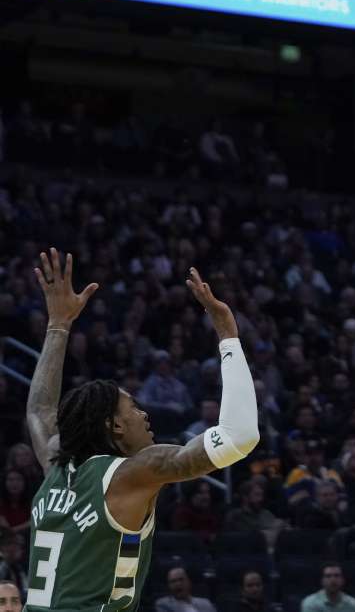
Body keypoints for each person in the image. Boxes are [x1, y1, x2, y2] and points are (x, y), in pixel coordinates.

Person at [23, 250, 259, 611]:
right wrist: (228, 335)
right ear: (114, 425)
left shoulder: (57, 465)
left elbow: (39, 411)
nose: (145, 414)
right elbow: (239, 437)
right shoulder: (131, 474)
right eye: (133, 406)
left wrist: (58, 325)